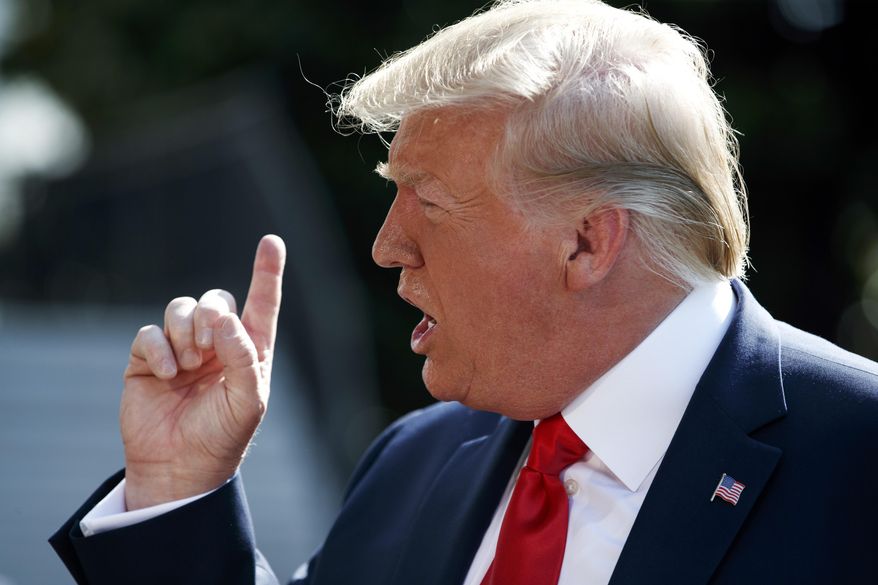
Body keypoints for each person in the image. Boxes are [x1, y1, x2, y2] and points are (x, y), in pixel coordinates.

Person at [51, 0, 878, 583]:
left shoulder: (856, 457)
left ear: (588, 240)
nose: (386, 246)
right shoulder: (418, 459)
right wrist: (178, 488)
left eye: (431, 203)